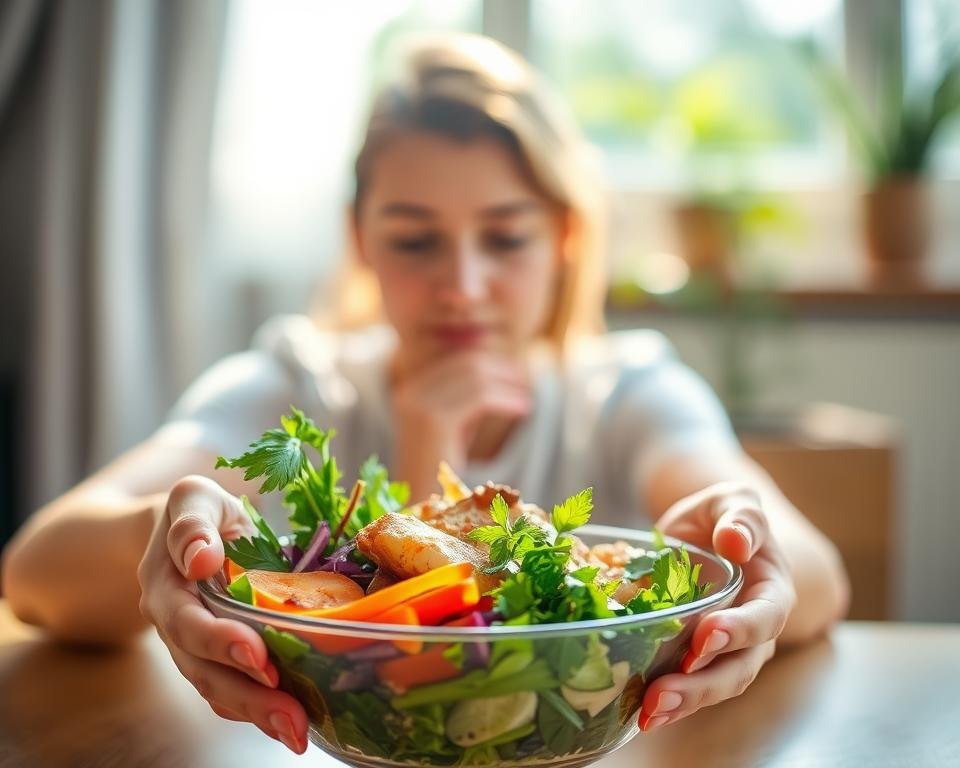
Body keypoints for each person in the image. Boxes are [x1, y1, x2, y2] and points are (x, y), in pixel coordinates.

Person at [1, 33, 848, 756]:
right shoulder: (298, 384)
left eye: (506, 237)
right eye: (415, 240)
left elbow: (818, 581)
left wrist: (747, 543)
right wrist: (162, 536)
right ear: (359, 240)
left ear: (563, 238)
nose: (463, 286)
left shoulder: (626, 391)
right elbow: (34, 574)